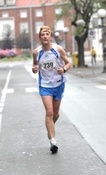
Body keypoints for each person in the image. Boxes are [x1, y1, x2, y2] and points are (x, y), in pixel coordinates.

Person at [31, 26, 70, 154]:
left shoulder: (58, 49)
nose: (45, 36)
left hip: (58, 84)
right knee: (49, 112)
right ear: (40, 37)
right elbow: (34, 65)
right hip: (45, 85)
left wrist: (63, 69)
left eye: (47, 34)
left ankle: (50, 128)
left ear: (50, 36)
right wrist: (34, 69)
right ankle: (53, 140)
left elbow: (68, 63)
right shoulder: (36, 52)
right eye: (43, 35)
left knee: (56, 114)